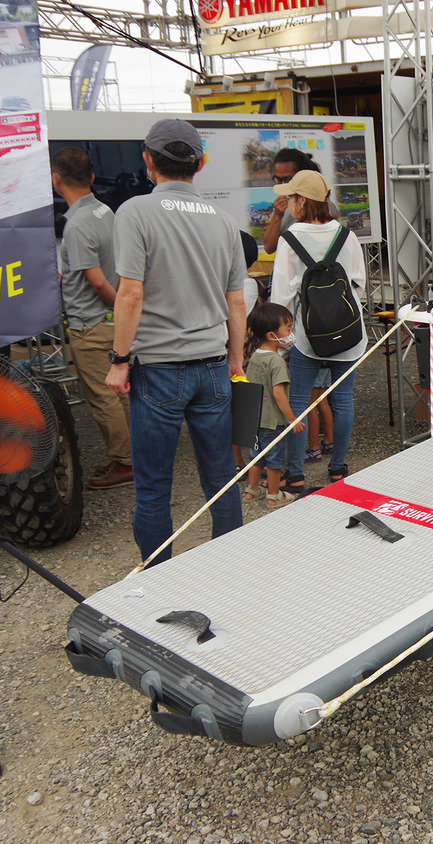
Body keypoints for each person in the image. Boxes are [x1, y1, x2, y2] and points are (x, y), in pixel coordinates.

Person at [106, 118, 249, 565]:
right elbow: (237, 303)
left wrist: (119, 359)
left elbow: (130, 292)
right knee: (222, 476)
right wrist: (236, 361)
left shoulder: (134, 213)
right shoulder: (225, 222)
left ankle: (158, 577)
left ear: (148, 161)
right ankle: (227, 564)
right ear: (200, 163)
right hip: (212, 367)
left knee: (153, 487)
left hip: (158, 370)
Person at [268, 169, 367, 493]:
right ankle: (337, 469)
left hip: (307, 338)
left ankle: (295, 475)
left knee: (297, 401)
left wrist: (280, 345)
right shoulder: (346, 235)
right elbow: (360, 287)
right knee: (343, 401)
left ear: (300, 202)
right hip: (349, 335)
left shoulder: (290, 240)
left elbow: (281, 296)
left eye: (292, 197)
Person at [49, 147, 134, 490]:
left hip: (91, 323)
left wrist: (121, 309)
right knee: (118, 394)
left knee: (102, 397)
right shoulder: (104, 210)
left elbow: (97, 281)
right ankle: (127, 454)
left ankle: (126, 463)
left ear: (56, 180)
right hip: (109, 322)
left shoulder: (78, 224)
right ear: (93, 177)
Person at [241, 303, 306, 508]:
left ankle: (252, 491)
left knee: (256, 455)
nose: (291, 334)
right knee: (275, 459)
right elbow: (278, 394)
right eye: (287, 330)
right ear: (271, 335)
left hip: (255, 418)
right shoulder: (276, 362)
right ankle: (274, 495)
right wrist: (292, 419)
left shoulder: (254, 357)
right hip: (272, 421)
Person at [262, 148, 337, 255]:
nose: (283, 184)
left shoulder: (324, 205)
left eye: (288, 179)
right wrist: (277, 216)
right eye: (278, 179)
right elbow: (269, 247)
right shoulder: (283, 205)